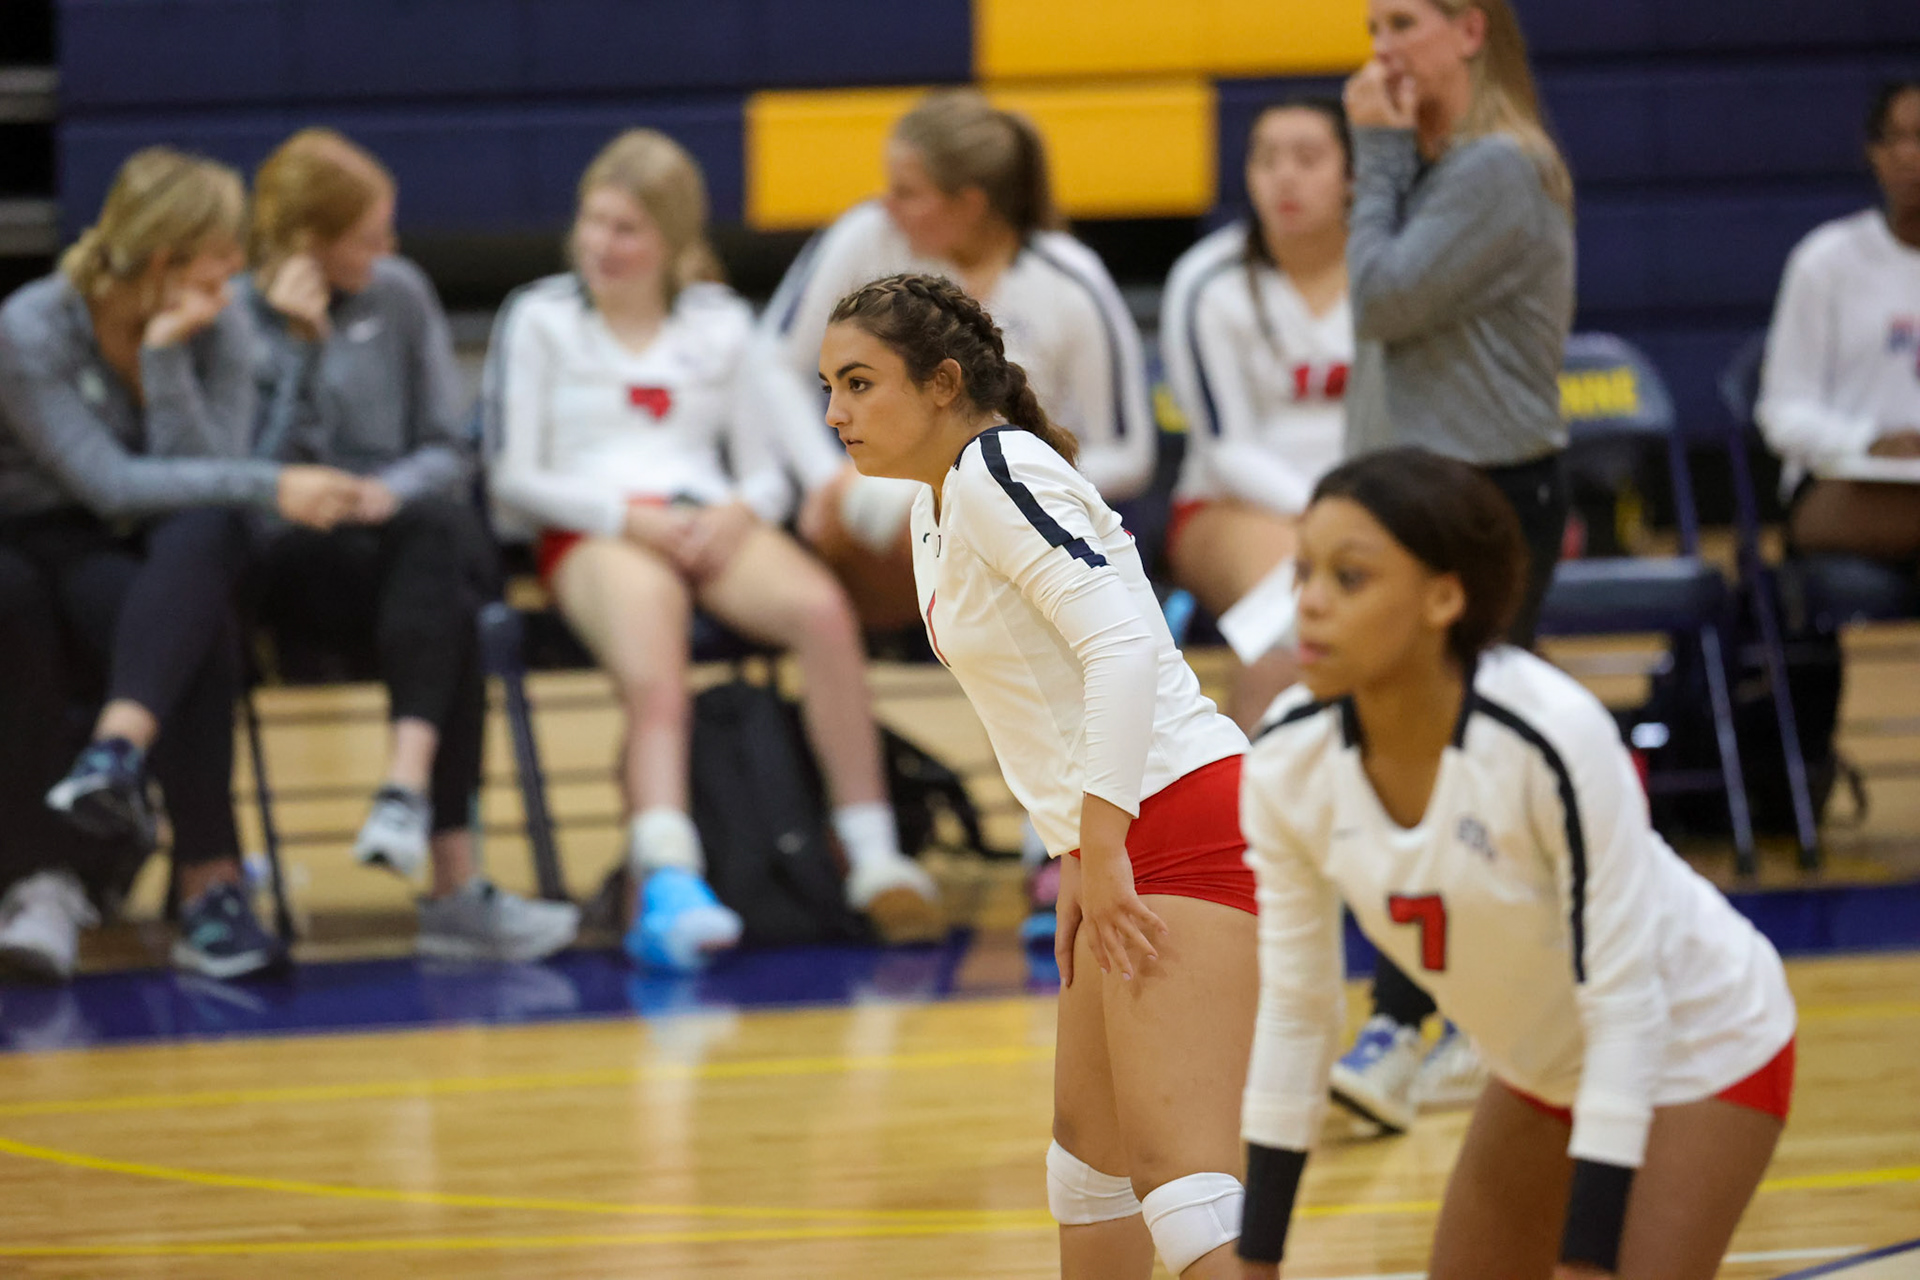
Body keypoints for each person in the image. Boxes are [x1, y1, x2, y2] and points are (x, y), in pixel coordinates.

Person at [1237, 448, 1797, 1280]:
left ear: (1445, 596)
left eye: (1349, 578)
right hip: (1541, 1066)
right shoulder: (1286, 758)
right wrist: (1257, 1259)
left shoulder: (1550, 736)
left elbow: (1625, 1009)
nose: (1309, 605)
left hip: (1697, 1041)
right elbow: (1297, 1014)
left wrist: (1588, 1259)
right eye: (1303, 573)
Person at [821, 273, 1255, 1279]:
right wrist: (1078, 843)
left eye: (858, 382)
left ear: (941, 383)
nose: (836, 413)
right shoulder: (939, 501)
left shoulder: (993, 470)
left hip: (1177, 818)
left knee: (1182, 1184)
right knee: (1089, 1167)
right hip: (1119, 827)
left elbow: (1121, 648)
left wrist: (1099, 845)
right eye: (828, 387)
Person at [486, 130, 939, 971]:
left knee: (822, 613)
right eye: (594, 223)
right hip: (594, 527)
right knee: (657, 663)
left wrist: (739, 513)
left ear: (672, 241)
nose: (603, 246)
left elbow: (770, 472)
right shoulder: (539, 317)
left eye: (627, 230)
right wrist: (627, 520)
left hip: (707, 518)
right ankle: (670, 880)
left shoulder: (721, 322)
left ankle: (872, 855)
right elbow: (512, 475)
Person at [0, 147, 366, 977]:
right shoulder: (31, 327)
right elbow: (108, 484)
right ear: (164, 256)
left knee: (205, 547)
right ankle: (206, 887)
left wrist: (166, 363)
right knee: (186, 612)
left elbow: (204, 476)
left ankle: (119, 757)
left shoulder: (220, 319)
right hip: (43, 533)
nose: (239, 269)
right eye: (224, 249)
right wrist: (278, 485)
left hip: (151, 539)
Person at [1329, 0, 1578, 1130]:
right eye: (1374, 26)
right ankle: (1441, 1015)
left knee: (1459, 771)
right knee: (1413, 767)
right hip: (1414, 492)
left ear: (1471, 31)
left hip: (1482, 502)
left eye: (1407, 24)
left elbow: (1379, 296)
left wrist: (1373, 152)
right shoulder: (1439, 168)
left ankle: (1423, 1019)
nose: (1383, 51)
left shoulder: (1495, 170)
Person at [244, 127, 579, 961]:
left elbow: (446, 443)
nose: (389, 249)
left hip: (397, 542)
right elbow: (250, 472)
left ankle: (403, 789)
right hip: (293, 559)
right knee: (451, 593)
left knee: (438, 546)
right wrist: (299, 349)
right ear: (305, 243)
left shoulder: (400, 293)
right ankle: (452, 891)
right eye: (369, 236)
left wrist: (384, 491)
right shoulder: (237, 316)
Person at [766, 88, 1155, 631]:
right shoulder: (867, 237)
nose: (887, 205)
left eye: (908, 192)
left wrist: (995, 483)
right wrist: (824, 478)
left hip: (1020, 515)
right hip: (874, 504)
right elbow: (777, 364)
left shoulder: (1069, 282)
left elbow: (1130, 455)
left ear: (968, 204)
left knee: (963, 528)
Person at [1160, 98, 1353, 732]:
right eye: (1267, 160)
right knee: (1290, 611)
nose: (1285, 178)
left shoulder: (1392, 277)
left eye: (1307, 159)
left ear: (1352, 175)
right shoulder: (1206, 281)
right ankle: (1256, 825)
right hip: (1229, 507)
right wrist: (1328, 513)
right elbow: (1225, 447)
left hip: (1370, 505)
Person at [1757, 79, 1920, 568]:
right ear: (1875, 153)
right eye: (1897, 138)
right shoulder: (1825, 261)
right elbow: (1782, 413)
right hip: (1844, 483)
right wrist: (1869, 441)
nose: (1912, 155)